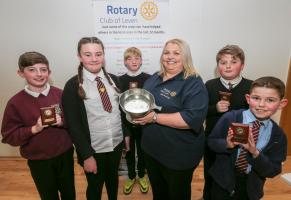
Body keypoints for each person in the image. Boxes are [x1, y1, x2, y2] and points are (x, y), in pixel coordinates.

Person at [133, 38, 208, 200]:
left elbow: (191, 119)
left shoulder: (193, 82)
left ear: (185, 57)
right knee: (159, 194)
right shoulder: (154, 78)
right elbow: (145, 104)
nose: (170, 56)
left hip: (178, 156)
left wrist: (154, 117)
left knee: (177, 195)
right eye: (166, 52)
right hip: (152, 151)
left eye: (176, 53)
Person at [1, 52, 75, 200]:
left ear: (49, 72)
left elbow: (75, 122)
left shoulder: (61, 94)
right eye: (32, 70)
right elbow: (9, 136)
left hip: (65, 155)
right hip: (38, 160)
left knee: (69, 193)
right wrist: (33, 129)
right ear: (21, 73)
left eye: (43, 69)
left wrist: (62, 122)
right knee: (48, 195)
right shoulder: (15, 103)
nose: (39, 74)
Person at [62, 37, 123, 200]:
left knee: (113, 182)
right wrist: (87, 155)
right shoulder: (72, 86)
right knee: (95, 187)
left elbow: (121, 112)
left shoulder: (114, 80)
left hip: (115, 145)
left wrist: (127, 136)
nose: (94, 59)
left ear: (104, 55)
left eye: (98, 54)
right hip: (94, 150)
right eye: (88, 54)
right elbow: (73, 125)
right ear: (79, 57)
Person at [208, 76, 288, 200]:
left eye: (270, 100)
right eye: (256, 98)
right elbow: (211, 142)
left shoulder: (278, 135)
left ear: (281, 104)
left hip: (251, 187)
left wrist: (255, 153)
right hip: (222, 181)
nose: (261, 105)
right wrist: (227, 144)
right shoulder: (230, 118)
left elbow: (273, 170)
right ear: (248, 99)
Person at [203, 45, 252, 200]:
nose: (228, 66)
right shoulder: (210, 85)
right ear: (218, 66)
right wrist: (214, 108)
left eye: (233, 62)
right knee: (210, 172)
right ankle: (207, 196)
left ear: (242, 65)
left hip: (240, 142)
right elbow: (199, 111)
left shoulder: (251, 86)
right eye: (223, 62)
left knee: (236, 174)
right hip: (213, 139)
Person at [119, 47, 150, 194]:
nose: (134, 61)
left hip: (145, 124)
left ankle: (142, 175)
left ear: (141, 60)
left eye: (137, 58)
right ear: (125, 62)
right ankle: (131, 176)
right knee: (129, 150)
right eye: (130, 58)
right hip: (127, 125)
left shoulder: (149, 79)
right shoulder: (119, 80)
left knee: (144, 150)